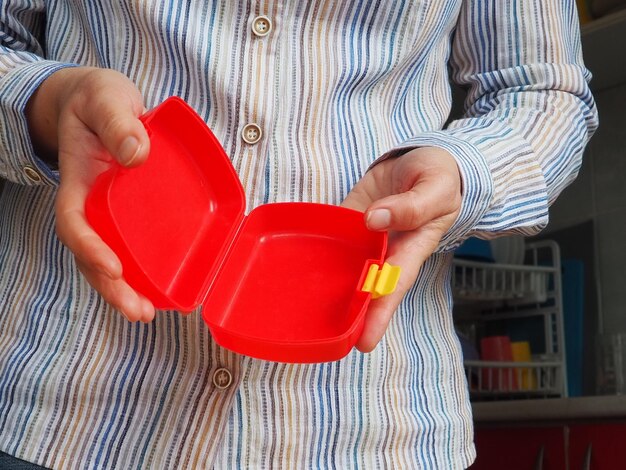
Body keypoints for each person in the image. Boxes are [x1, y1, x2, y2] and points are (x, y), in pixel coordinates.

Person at [0, 1, 597, 469]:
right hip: (70, 411)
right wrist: (48, 105)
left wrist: (463, 171)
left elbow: (545, 94)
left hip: (374, 432)